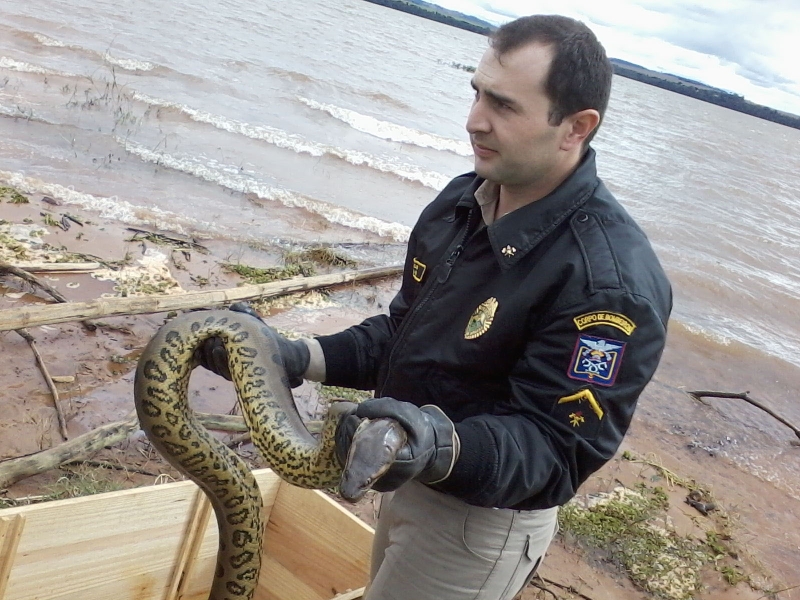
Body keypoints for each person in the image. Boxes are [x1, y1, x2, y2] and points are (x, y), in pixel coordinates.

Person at [198, 14, 672, 600]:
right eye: (476, 93)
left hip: (478, 524)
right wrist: (292, 356)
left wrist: (432, 443)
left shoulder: (608, 285)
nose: (474, 120)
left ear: (576, 126)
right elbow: (402, 335)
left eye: (503, 105)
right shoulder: (461, 203)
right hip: (403, 477)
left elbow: (554, 450)